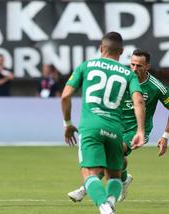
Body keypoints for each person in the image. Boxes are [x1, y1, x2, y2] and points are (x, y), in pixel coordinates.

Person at [61, 32, 145, 214]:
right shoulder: (128, 73)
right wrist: (140, 130)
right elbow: (138, 101)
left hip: (90, 126)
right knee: (114, 175)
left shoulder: (86, 66)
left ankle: (106, 212)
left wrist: (67, 123)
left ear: (101, 48)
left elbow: (65, 96)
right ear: (122, 52)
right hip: (116, 129)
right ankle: (109, 205)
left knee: (89, 173)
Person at [68, 49, 169, 203]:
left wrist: (165, 136)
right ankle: (124, 177)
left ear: (147, 66)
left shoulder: (156, 87)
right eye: (132, 64)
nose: (134, 69)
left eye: (139, 66)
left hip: (136, 132)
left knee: (110, 155)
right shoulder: (123, 78)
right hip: (114, 126)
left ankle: (84, 189)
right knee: (117, 159)